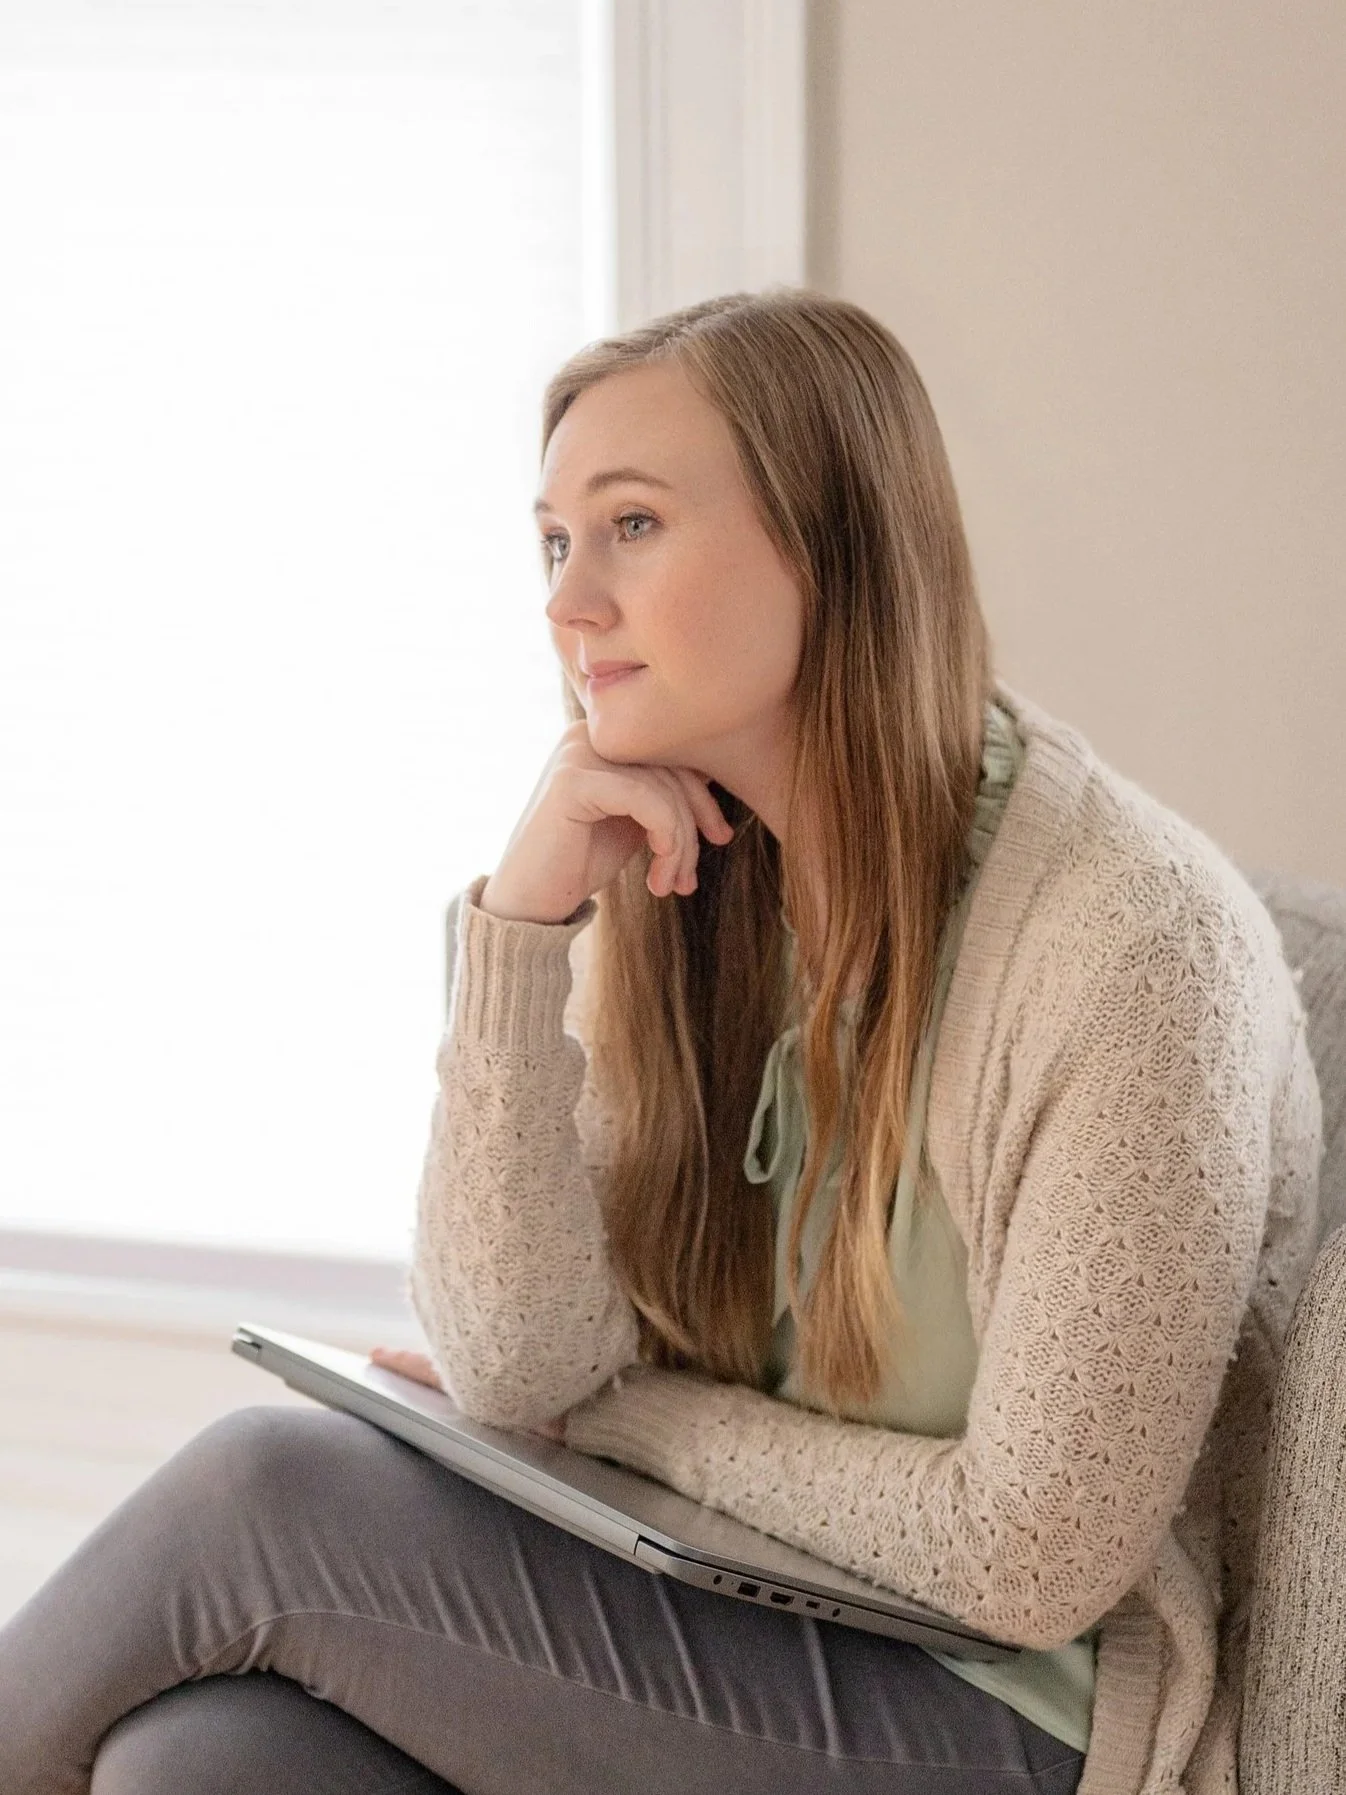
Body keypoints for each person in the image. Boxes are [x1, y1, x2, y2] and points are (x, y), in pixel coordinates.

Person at [0, 288, 1321, 1795]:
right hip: (724, 1608)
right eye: (554, 542)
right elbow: (516, 1367)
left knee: (263, 1489)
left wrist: (628, 1418)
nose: (568, 603)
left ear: (831, 544)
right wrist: (518, 937)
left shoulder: (1134, 949)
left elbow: (1030, 1555)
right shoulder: (677, 875)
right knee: (204, 1759)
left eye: (630, 525)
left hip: (1015, 1719)